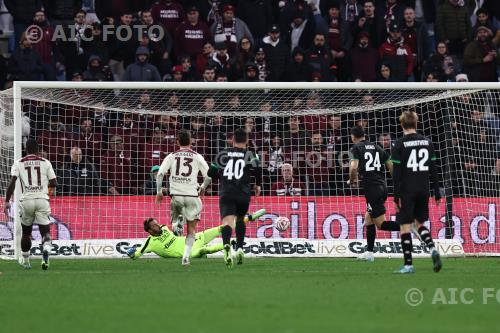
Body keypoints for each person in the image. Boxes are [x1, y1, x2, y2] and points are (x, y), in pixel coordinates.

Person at [391, 111, 442, 274]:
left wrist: (396, 196)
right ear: (416, 124)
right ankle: (432, 249)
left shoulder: (399, 144)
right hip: (424, 189)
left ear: (401, 125)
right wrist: (437, 191)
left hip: (407, 190)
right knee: (420, 224)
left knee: (405, 226)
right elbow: (433, 169)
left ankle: (408, 265)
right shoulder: (428, 142)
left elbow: (396, 173)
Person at [207, 128, 262, 267]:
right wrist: (258, 185)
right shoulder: (250, 154)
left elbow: (210, 172)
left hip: (227, 192)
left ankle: (226, 246)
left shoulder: (222, 153)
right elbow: (258, 169)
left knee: (227, 222)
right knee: (240, 219)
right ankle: (239, 248)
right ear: (247, 141)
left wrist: (222, 176)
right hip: (243, 193)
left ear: (232, 140)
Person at [155, 130, 210, 266]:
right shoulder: (197, 156)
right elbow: (209, 175)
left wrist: (159, 191)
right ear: (191, 141)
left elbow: (160, 174)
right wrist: (202, 187)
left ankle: (177, 224)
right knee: (191, 230)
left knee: (175, 221)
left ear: (177, 142)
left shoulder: (171, 156)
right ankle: (185, 257)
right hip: (192, 196)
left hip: (176, 195)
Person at [3, 139, 57, 270]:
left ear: (25, 149)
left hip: (26, 200)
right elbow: (54, 182)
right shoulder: (45, 162)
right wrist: (46, 190)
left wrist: (7, 201)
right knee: (45, 230)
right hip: (42, 199)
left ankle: (26, 261)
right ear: (38, 150)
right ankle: (46, 246)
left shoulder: (19, 163)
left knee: (26, 233)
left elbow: (12, 182)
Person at [348, 126, 400, 262]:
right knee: (368, 219)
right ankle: (370, 253)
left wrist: (352, 180)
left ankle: (407, 226)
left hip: (372, 189)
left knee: (381, 224)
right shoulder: (377, 147)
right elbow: (391, 165)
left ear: (353, 137)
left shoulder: (355, 148)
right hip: (382, 187)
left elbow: (353, 167)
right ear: (364, 135)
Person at [126, 210, 266, 260]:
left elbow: (176, 232)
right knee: (203, 251)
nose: (158, 225)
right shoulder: (149, 243)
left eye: (157, 223)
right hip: (188, 252)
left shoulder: (164, 227)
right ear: (150, 231)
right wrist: (131, 253)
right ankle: (227, 245)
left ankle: (247, 218)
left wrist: (179, 224)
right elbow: (137, 254)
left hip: (194, 238)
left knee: (220, 228)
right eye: (154, 226)